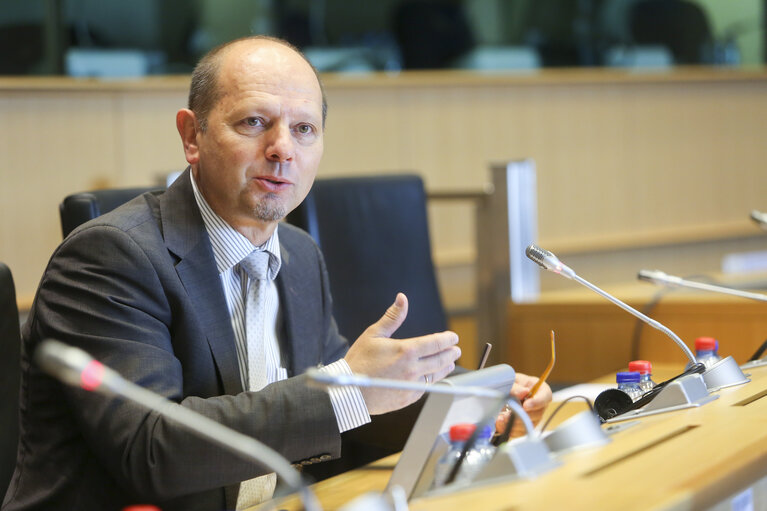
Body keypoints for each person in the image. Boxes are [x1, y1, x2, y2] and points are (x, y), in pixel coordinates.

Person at [3, 36, 550, 511]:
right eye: (254, 122)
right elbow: (154, 452)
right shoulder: (109, 257)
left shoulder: (299, 255)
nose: (283, 149)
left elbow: (339, 422)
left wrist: (466, 410)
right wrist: (348, 389)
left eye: (305, 128)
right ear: (191, 136)